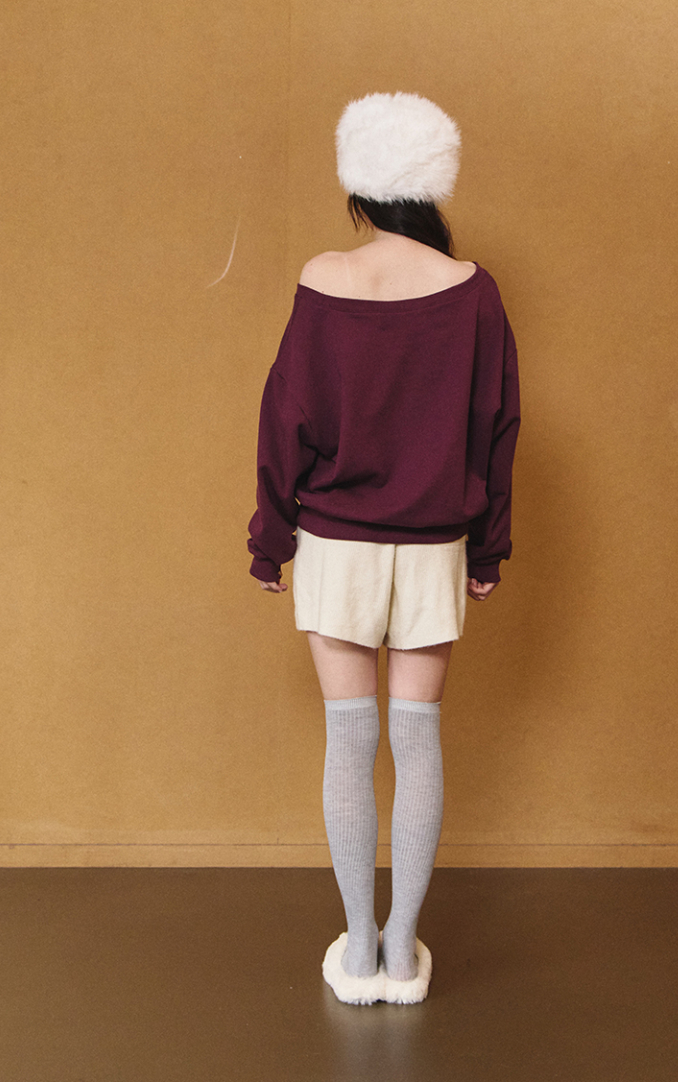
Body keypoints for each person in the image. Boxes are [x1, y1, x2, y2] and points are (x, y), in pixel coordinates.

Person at [247, 92, 520, 1004]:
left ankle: (359, 949)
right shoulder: (473, 289)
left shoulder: (324, 278)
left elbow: (286, 415)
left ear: (358, 187)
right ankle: (404, 951)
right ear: (431, 185)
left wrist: (270, 537)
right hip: (435, 546)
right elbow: (497, 425)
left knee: (349, 741)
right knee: (418, 740)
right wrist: (488, 550)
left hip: (336, 544)